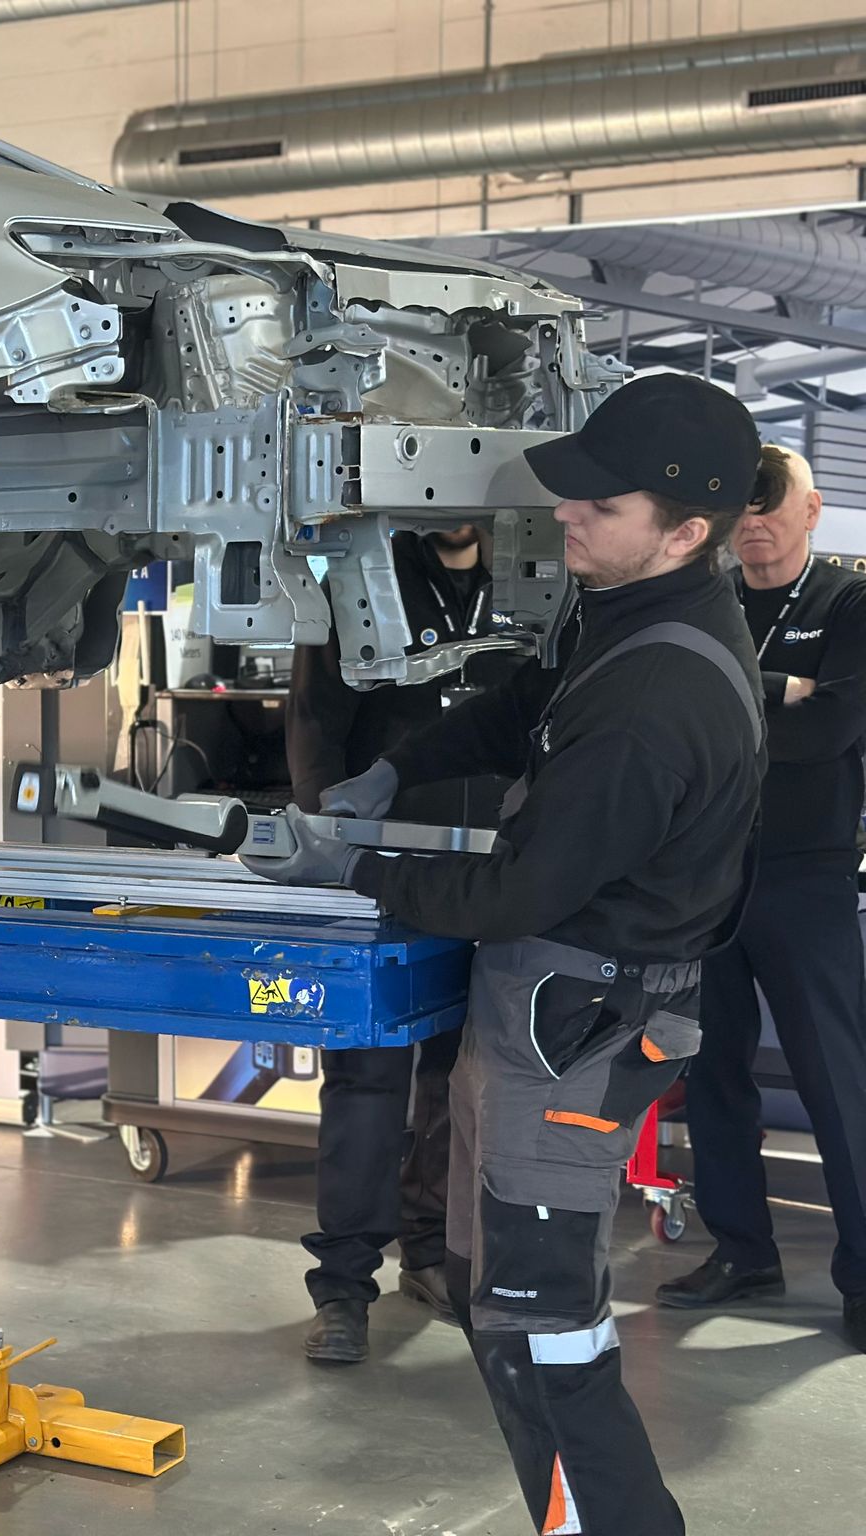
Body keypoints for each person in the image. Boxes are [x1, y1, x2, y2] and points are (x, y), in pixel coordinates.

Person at [245, 372, 766, 1536]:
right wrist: (401, 769)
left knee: (543, 1333)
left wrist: (355, 871)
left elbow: (511, 888)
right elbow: (525, 702)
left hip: (569, 1034)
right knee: (508, 1313)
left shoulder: (655, 700)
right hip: (558, 1008)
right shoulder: (632, 614)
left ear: (684, 531)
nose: (565, 516)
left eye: (598, 505)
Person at [659, 445, 866, 1355]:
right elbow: (675, 718)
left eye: (771, 498)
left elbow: (832, 729)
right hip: (708, 871)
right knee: (713, 1073)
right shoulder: (710, 601)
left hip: (806, 875)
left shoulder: (851, 603)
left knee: (837, 1080)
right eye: (740, 500)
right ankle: (743, 1250)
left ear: (812, 507)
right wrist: (782, 690)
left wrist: (744, 706)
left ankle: (862, 1274)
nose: (755, 517)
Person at [285, 525, 502, 1363]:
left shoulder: (529, 584)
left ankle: (430, 1255)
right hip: (382, 869)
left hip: (487, 872)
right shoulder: (359, 577)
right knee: (367, 1082)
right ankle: (342, 1286)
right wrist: (335, 851)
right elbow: (313, 729)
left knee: (459, 1080)